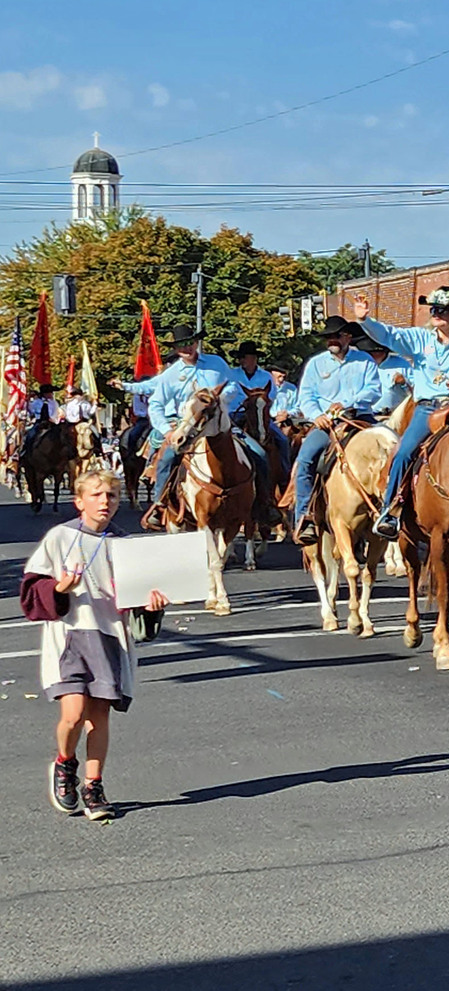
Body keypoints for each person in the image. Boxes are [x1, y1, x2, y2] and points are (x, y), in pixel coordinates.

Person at [22, 470, 169, 822]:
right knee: (72, 715)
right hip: (71, 635)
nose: (105, 502)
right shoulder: (60, 537)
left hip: (109, 637)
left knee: (99, 716)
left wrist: (150, 605)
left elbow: (137, 595)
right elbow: (31, 588)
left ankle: (93, 785)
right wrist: (58, 589)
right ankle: (64, 764)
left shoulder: (125, 544)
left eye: (113, 496)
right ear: (79, 501)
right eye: (97, 495)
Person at [350, 288, 449, 540]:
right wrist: (364, 320)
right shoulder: (419, 339)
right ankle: (390, 511)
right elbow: (390, 336)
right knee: (404, 451)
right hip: (428, 408)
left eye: (442, 310)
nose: (436, 313)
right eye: (433, 309)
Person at [112, 326, 260, 531]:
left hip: (219, 424)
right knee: (166, 459)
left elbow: (233, 386)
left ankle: (263, 503)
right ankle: (160, 503)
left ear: (196, 343)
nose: (186, 348)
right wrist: (167, 431)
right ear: (175, 349)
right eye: (181, 345)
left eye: (189, 343)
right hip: (188, 426)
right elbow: (155, 405)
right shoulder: (170, 374)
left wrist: (221, 398)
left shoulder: (216, 363)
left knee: (258, 452)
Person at [289, 317, 383, 545]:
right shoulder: (316, 364)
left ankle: (391, 511)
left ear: (347, 338)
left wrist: (348, 403)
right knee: (305, 459)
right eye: (328, 337)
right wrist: (317, 416)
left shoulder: (364, 361)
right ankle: (305, 516)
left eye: (337, 335)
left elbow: (374, 390)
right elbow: (306, 396)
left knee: (389, 450)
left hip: (359, 417)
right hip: (327, 423)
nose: (332, 340)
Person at [227, 342, 292, 480]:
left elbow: (272, 395)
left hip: (260, 414)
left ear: (254, 358)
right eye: (240, 358)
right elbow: (228, 395)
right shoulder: (231, 374)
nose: (242, 360)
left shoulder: (266, 376)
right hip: (236, 414)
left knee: (283, 440)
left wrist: (258, 400)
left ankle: (285, 476)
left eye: (245, 357)